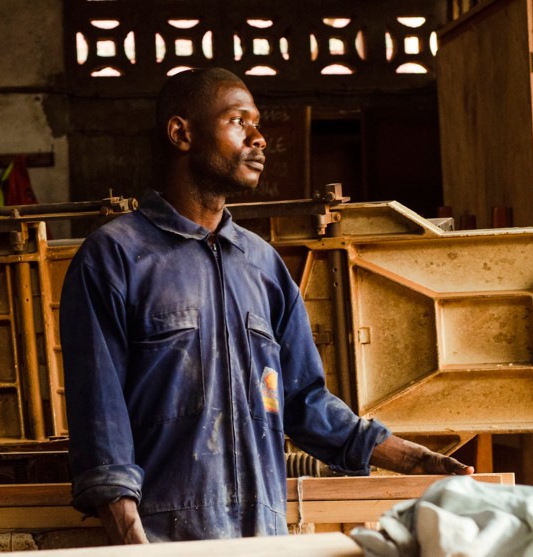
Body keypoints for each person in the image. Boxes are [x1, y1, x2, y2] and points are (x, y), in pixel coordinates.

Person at [59, 67, 473, 545]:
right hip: (163, 538)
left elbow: (303, 401)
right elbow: (100, 413)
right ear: (182, 133)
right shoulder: (115, 256)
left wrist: (407, 458)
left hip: (263, 537)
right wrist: (134, 543)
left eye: (257, 124)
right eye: (239, 121)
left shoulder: (262, 265)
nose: (259, 139)